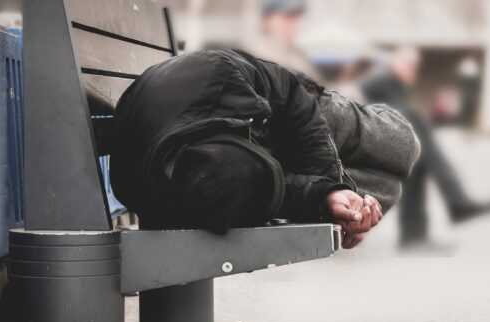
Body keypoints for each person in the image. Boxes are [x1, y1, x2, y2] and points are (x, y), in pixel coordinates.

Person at [110, 49, 417, 249]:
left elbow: (290, 93)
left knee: (403, 146)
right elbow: (271, 192)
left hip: (280, 110)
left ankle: (352, 179)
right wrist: (328, 202)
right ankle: (350, 203)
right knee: (385, 186)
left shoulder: (219, 76)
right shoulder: (208, 191)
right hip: (218, 150)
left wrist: (327, 184)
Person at [362, 48, 490, 249]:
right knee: (420, 138)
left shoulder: (394, 85)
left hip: (390, 141)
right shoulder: (381, 80)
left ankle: (416, 235)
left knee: (419, 162)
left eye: (414, 67)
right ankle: (455, 203)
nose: (412, 71)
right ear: (395, 63)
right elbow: (379, 108)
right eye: (408, 65)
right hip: (373, 142)